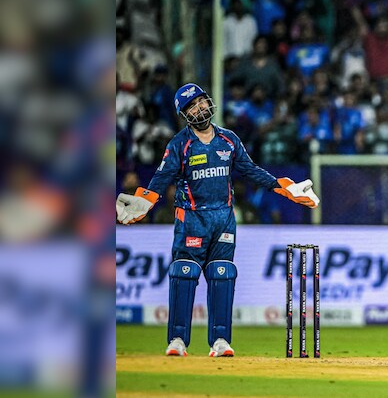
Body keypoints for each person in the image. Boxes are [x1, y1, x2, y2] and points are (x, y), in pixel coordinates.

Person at [115, 83, 319, 357]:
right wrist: (145, 200)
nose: (199, 108)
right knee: (184, 273)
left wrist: (285, 187)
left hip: (224, 218)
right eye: (191, 106)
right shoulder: (180, 144)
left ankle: (220, 341)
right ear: (184, 114)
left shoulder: (229, 139)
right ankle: (177, 340)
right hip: (192, 218)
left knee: (222, 274)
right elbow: (162, 177)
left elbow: (251, 170)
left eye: (200, 101)